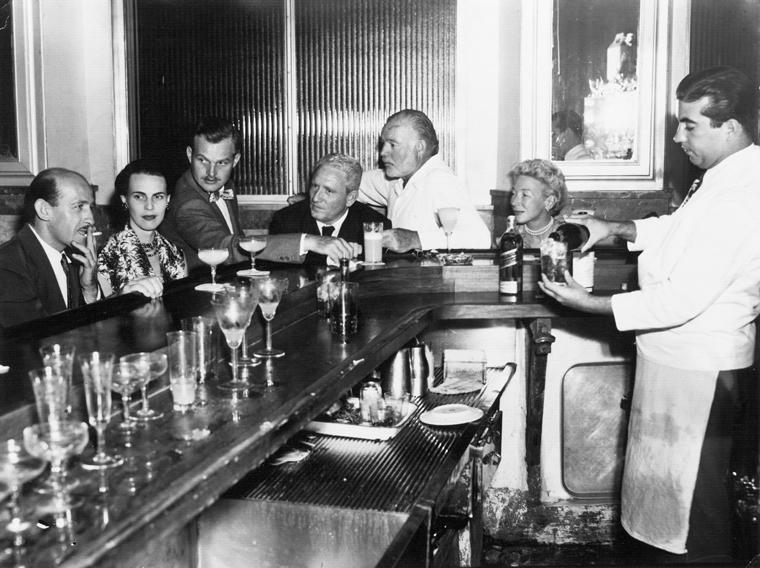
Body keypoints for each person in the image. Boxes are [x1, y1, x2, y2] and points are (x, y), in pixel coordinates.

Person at [539, 66, 760, 563]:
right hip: (675, 367)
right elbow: (675, 232)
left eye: (689, 125)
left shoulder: (744, 197)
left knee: (693, 518)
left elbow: (681, 300)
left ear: (731, 127)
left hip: (700, 374)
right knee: (667, 510)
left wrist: (588, 304)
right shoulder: (722, 178)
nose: (678, 137)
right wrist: (612, 227)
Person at [160, 116, 358, 270]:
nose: (211, 173)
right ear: (189, 155)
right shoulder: (187, 205)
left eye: (222, 162)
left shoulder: (225, 184)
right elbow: (225, 247)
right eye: (203, 160)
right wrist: (309, 241)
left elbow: (236, 237)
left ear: (235, 161)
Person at [359, 109, 491, 252]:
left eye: (392, 144)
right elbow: (347, 182)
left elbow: (480, 238)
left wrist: (416, 239)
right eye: (383, 144)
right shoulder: (397, 179)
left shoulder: (440, 180)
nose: (383, 152)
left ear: (419, 147)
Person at [0, 168, 101, 328]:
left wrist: (89, 290)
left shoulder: (76, 258)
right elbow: (32, 341)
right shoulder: (8, 266)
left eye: (91, 208)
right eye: (79, 206)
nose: (91, 219)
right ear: (44, 210)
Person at [269, 153, 390, 265]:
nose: (316, 198)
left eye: (329, 191)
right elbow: (275, 267)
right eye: (315, 186)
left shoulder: (374, 226)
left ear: (350, 198)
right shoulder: (285, 219)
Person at [97, 159, 186, 298]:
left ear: (167, 200)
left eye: (158, 196)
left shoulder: (176, 254)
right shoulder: (108, 254)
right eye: (139, 197)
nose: (149, 206)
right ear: (124, 200)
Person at [508, 159, 567, 248]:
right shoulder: (509, 238)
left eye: (525, 195)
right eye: (513, 193)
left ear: (549, 202)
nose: (514, 202)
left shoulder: (566, 237)